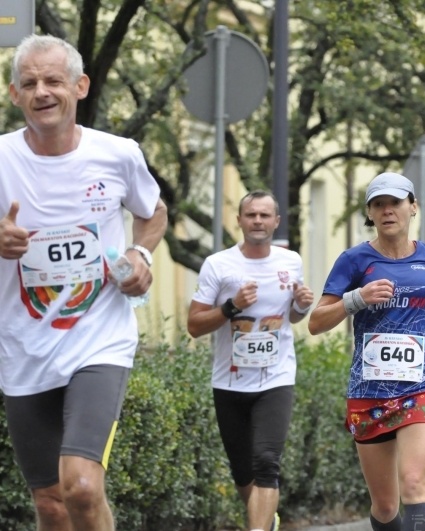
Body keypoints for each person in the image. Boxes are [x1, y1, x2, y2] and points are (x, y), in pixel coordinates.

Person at [0, 35, 168, 530]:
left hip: (99, 340)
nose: (42, 92)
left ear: (80, 85)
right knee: (51, 503)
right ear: (14, 94)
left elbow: (152, 213)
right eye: (29, 83)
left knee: (81, 485)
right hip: (23, 347)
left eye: (53, 80)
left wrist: (140, 255)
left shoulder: (117, 154)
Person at [307, 172, 425, 531]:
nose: (388, 211)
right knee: (386, 506)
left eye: (396, 203)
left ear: (413, 207)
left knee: (415, 485)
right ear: (370, 213)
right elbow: (316, 321)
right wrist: (358, 298)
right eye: (379, 204)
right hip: (370, 389)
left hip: (423, 383)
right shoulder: (354, 260)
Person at [187, 191, 313, 531]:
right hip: (228, 381)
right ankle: (265, 522)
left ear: (276, 222)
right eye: (251, 215)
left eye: (264, 215)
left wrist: (301, 304)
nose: (258, 221)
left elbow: (294, 317)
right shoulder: (219, 265)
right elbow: (194, 325)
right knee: (243, 472)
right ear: (240, 220)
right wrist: (231, 307)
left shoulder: (291, 262)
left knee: (267, 463)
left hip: (276, 377)